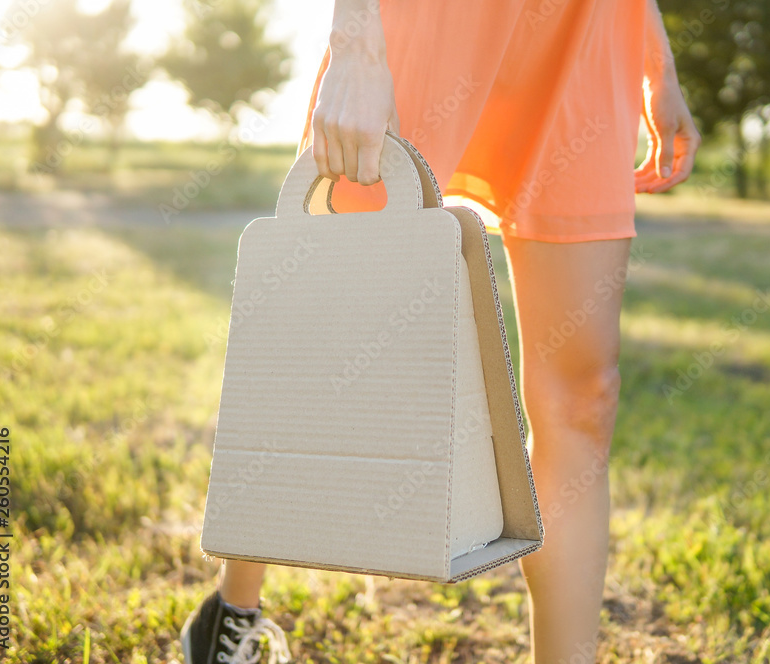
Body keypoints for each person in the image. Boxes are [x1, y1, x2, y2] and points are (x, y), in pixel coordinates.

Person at [181, 0, 700, 662]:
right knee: (332, 332)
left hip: (588, 32)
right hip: (439, 19)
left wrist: (659, 61)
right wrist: (356, 46)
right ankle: (232, 614)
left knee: (585, 395)